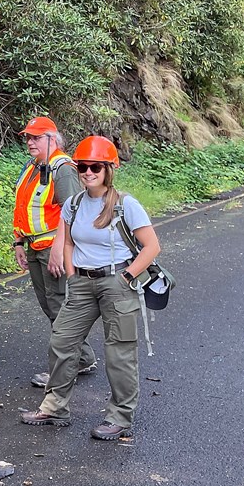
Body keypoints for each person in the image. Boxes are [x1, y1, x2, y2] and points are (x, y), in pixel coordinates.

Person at [20, 136, 160, 440]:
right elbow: (68, 241)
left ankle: (120, 417)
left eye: (95, 166)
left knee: (119, 353)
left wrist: (126, 277)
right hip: (82, 283)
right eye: (82, 167)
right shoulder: (74, 203)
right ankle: (55, 406)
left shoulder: (126, 204)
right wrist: (72, 274)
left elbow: (151, 246)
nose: (87, 172)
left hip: (117, 283)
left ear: (109, 169)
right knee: (61, 341)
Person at [12, 116, 98, 387]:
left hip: (52, 248)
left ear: (52, 139)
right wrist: (18, 243)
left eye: (36, 137)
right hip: (35, 247)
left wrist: (61, 250)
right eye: (28, 137)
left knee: (60, 306)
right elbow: (25, 208)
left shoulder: (62, 169)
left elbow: (73, 212)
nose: (30, 142)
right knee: (52, 306)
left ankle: (65, 367)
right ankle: (82, 358)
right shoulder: (34, 166)